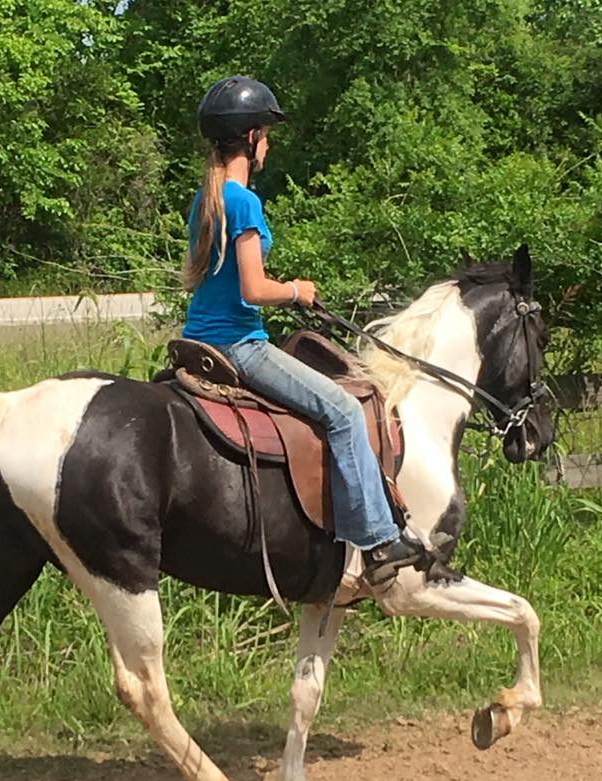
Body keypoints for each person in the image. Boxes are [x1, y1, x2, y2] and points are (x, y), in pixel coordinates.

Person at [181, 75, 428, 587]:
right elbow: (252, 288)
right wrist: (295, 290)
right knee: (341, 410)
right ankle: (380, 541)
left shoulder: (203, 201)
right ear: (251, 138)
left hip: (197, 340)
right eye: (266, 135)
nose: (268, 145)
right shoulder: (243, 202)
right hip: (239, 345)